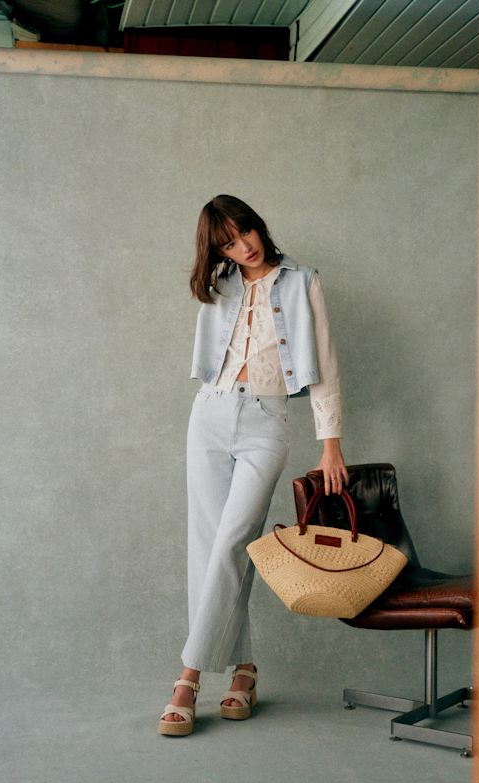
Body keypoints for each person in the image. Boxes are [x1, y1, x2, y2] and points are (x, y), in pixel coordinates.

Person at [158, 194, 348, 736]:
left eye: (245, 233)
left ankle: (189, 677)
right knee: (209, 548)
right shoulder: (220, 287)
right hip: (211, 415)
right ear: (218, 250)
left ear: (257, 226)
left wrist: (330, 443)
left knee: (232, 542)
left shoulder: (303, 282)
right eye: (228, 244)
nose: (243, 247)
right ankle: (243, 671)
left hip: (266, 422)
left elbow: (325, 364)